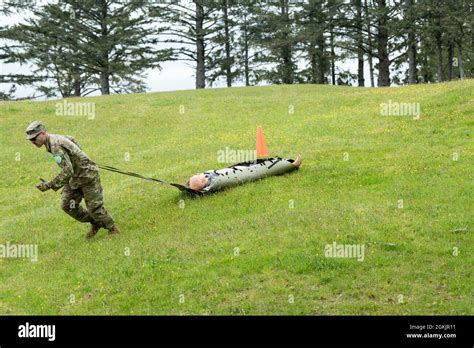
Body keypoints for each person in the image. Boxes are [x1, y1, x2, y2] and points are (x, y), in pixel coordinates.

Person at [26, 121, 119, 239]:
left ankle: (112, 229)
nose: (33, 141)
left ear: (43, 133)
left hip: (87, 176)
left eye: (34, 138)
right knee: (67, 205)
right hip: (74, 178)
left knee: (94, 208)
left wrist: (49, 185)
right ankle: (96, 222)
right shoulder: (53, 139)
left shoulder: (55, 146)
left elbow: (67, 171)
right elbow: (72, 139)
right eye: (30, 139)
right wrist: (78, 157)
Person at [188, 155, 302, 192]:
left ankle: (286, 162)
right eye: (198, 175)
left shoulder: (208, 177)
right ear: (203, 182)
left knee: (258, 162)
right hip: (241, 173)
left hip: (236, 169)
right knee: (265, 169)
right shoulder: (214, 182)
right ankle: (292, 165)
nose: (199, 173)